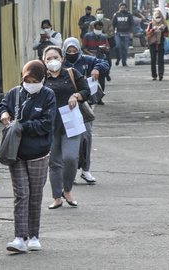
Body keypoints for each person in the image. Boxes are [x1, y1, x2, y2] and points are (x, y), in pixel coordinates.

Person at [0, 60, 56, 253]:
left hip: (39, 154)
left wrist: (23, 126)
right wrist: (4, 114)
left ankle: (33, 235)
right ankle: (19, 237)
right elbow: (2, 106)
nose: (30, 83)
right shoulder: (15, 93)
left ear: (42, 79)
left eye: (34, 80)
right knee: (21, 195)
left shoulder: (48, 95)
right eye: (27, 79)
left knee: (35, 195)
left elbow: (46, 124)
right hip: (16, 153)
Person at [42, 46, 90, 209]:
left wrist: (76, 95)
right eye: (48, 59)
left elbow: (86, 90)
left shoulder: (71, 73)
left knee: (70, 158)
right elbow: (27, 89)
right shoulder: (41, 77)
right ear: (44, 61)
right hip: (50, 125)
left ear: (62, 58)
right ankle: (57, 196)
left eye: (55, 57)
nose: (52, 61)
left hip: (71, 123)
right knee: (54, 162)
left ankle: (67, 189)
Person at [62, 38, 109, 185]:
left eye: (74, 50)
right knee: (69, 139)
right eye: (68, 51)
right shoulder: (61, 64)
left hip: (83, 105)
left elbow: (104, 62)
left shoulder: (86, 60)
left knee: (86, 136)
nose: (72, 53)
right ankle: (70, 172)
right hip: (66, 107)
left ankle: (86, 170)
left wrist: (97, 69)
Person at [89, 8, 115, 72]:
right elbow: (89, 33)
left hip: (105, 43)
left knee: (108, 58)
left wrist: (104, 35)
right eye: (98, 13)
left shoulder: (108, 22)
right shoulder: (92, 24)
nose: (99, 14)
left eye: (101, 13)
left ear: (103, 14)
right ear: (95, 14)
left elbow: (111, 32)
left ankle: (107, 72)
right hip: (95, 44)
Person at [146, 9, 169, 81]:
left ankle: (161, 74)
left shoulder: (164, 24)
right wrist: (153, 30)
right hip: (152, 43)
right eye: (156, 17)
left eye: (159, 17)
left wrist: (161, 30)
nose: (158, 19)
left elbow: (167, 34)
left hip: (160, 43)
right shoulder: (151, 24)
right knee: (153, 59)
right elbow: (147, 34)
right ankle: (154, 75)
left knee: (160, 59)